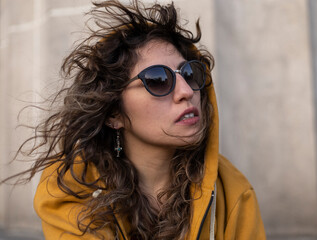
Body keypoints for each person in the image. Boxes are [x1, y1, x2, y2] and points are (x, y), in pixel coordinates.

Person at [7, 0, 266, 239]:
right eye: (158, 80)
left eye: (189, 73)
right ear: (113, 113)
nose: (186, 91)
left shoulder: (233, 193)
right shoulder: (70, 190)